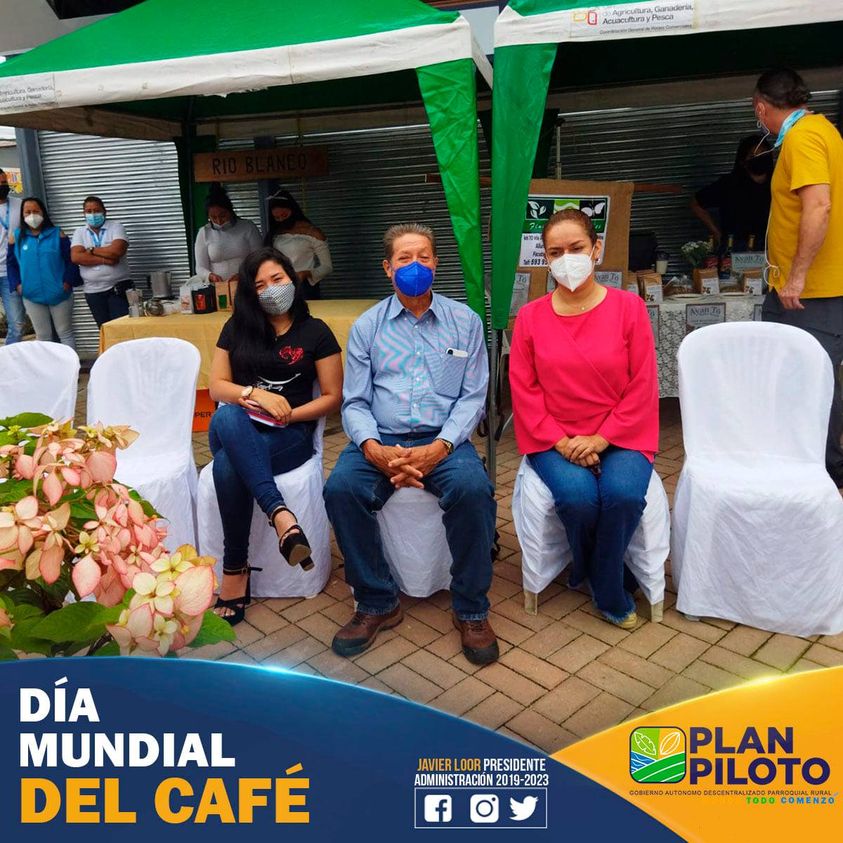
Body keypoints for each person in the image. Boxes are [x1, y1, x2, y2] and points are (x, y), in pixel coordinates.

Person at [324, 223, 498, 665]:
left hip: (444, 439)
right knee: (342, 490)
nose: (415, 265)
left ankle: (471, 608)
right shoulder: (367, 327)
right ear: (388, 268)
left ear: (436, 263)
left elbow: (473, 397)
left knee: (474, 491)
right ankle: (376, 601)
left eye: (423, 256)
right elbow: (355, 400)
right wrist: (371, 448)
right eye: (404, 258)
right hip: (381, 437)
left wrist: (441, 447)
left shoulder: (465, 322)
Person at [509, 209, 659, 630]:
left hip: (622, 432)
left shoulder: (629, 308)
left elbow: (643, 383)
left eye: (576, 248)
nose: (567, 259)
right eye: (555, 252)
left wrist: (601, 439)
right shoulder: (530, 317)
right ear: (545, 258)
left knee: (622, 495)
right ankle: (612, 580)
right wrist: (561, 441)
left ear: (596, 249)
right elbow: (524, 389)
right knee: (577, 499)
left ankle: (598, 579)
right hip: (553, 436)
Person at [208, 246, 343, 625]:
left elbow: (333, 396)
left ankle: (234, 571)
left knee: (227, 465)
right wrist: (257, 395)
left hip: (289, 435)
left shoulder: (316, 332)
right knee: (228, 415)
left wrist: (289, 414)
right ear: (250, 293)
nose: (270, 289)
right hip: (239, 424)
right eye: (260, 285)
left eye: (277, 279)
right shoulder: (236, 329)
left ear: (292, 279)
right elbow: (217, 386)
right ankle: (281, 515)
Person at [754, 68, 843, 487]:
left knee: (813, 380)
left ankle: (823, 472)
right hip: (797, 288)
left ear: (761, 108)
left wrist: (797, 277)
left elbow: (819, 206)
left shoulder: (803, 137)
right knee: (798, 375)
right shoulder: (822, 130)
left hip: (811, 291)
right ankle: (802, 461)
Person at [6, 197, 78, 349]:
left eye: (36, 211)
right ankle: (47, 365)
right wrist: (18, 285)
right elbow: (11, 264)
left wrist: (67, 282)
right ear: (22, 215)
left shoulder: (58, 234)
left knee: (65, 332)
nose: (32, 215)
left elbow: (71, 260)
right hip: (32, 295)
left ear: (43, 213)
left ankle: (72, 364)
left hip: (60, 293)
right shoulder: (16, 237)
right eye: (28, 212)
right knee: (43, 336)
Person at [690, 133, 774, 251]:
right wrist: (716, 233)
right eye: (753, 155)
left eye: (763, 153)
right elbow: (696, 204)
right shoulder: (729, 184)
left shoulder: (780, 183)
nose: (759, 158)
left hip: (772, 248)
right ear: (743, 161)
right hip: (735, 249)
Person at [70, 195, 134, 327]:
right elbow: (76, 257)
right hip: (93, 292)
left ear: (105, 212)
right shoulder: (79, 232)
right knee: (104, 329)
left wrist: (91, 250)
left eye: (97, 210)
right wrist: (106, 260)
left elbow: (116, 251)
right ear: (84, 214)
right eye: (89, 211)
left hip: (118, 288)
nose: (93, 214)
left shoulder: (116, 227)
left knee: (123, 328)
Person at [265, 190, 332, 300]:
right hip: (279, 286)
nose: (281, 220)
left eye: (284, 215)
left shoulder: (313, 233)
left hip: (304, 287)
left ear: (292, 210)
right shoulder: (275, 233)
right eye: (277, 218)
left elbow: (327, 267)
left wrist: (306, 273)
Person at [195, 184, 262, 286]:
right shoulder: (204, 232)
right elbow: (200, 267)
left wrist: (242, 275)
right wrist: (210, 276)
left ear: (230, 211)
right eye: (213, 217)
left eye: (223, 215)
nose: (219, 221)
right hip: (218, 286)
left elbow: (259, 258)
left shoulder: (248, 227)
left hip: (247, 283)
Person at [0, 169, 25, 344]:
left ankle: (9, 358)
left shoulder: (20, 204)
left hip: (10, 272)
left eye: (4, 183)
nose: (2, 186)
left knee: (17, 324)